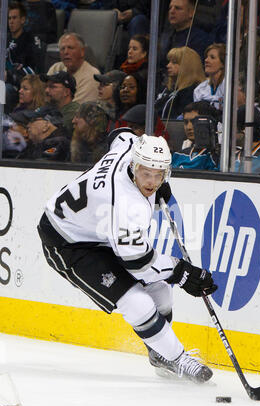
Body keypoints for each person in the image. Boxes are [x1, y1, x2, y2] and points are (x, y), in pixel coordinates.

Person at [37, 129, 217, 383]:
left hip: (96, 228)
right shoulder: (125, 204)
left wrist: (160, 186)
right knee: (137, 302)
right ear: (133, 166)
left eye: (159, 175)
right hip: (67, 242)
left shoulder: (129, 148)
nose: (151, 182)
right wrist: (182, 272)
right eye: (146, 173)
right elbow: (139, 263)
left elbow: (119, 134)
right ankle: (177, 359)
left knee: (162, 291)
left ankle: (159, 352)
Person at [159, 0, 214, 69]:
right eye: (170, 8)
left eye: (178, 8)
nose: (171, 11)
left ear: (191, 13)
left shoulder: (201, 39)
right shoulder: (165, 37)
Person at [47, 33, 100, 104]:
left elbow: (75, 109)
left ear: (82, 52)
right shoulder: (56, 68)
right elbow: (43, 96)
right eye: (62, 49)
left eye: (70, 48)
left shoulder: (92, 75)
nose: (66, 52)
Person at [155, 46, 206, 120]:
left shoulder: (192, 92)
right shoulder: (168, 89)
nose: (168, 65)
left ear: (187, 65)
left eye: (174, 62)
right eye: (169, 61)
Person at [171, 101, 220, 170]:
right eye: (186, 122)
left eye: (194, 121)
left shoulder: (217, 158)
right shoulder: (177, 155)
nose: (188, 127)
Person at [6, 2, 43, 91]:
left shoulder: (31, 40)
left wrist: (10, 76)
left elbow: (34, 70)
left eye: (14, 18)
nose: (11, 21)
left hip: (20, 86)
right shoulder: (4, 39)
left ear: (23, 20)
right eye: (9, 18)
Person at [41, 71, 80, 137]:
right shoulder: (48, 108)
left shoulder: (74, 112)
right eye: (46, 86)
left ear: (66, 92)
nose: (46, 90)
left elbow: (57, 132)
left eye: (52, 87)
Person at [193, 43, 226, 110]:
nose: (206, 60)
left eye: (212, 57)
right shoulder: (199, 89)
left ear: (223, 63)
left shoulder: (230, 87)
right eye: (206, 57)